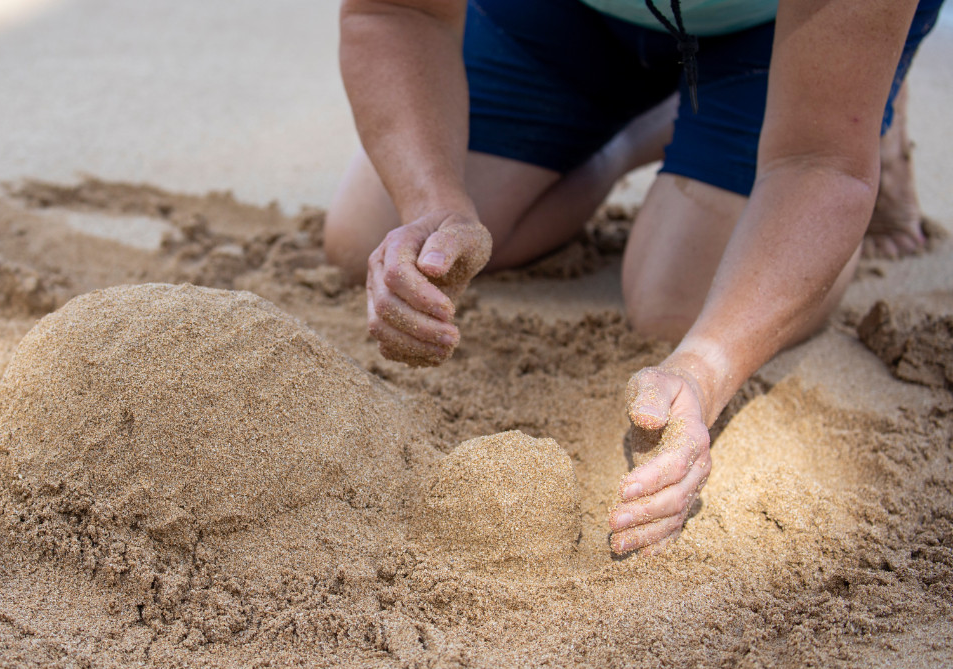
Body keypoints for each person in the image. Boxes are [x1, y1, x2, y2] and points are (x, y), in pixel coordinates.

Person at [324, 0, 944, 555]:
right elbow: (394, 11)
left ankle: (869, 102)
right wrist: (434, 204)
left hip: (781, 28)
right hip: (575, 14)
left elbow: (820, 164)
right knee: (365, 234)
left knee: (680, 302)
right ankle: (636, 131)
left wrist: (704, 366)